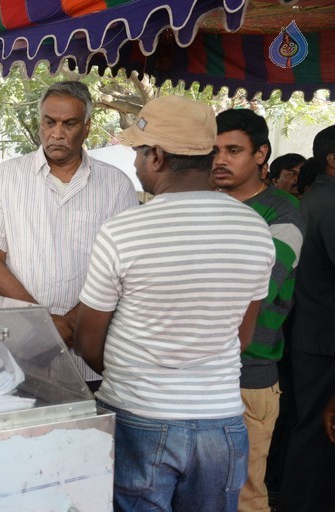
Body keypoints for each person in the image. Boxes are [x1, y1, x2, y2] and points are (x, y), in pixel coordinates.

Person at [74, 95, 275, 512]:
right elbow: (242, 336)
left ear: (158, 157)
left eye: (139, 153)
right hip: (221, 423)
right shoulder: (255, 229)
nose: (135, 164)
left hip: (138, 418)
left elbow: (87, 341)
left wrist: (139, 376)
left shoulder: (123, 231)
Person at [0, 80, 138, 388]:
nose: (57, 133)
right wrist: (43, 321)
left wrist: (73, 323)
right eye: (50, 122)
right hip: (23, 349)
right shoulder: (6, 177)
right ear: (40, 123)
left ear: (87, 127)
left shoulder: (116, 185)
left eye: (69, 124)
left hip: (90, 354)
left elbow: (124, 268)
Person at [212, 108, 306, 512]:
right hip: (197, 375)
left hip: (250, 374)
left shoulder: (283, 211)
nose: (220, 160)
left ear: (261, 154)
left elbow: (261, 289)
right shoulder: (202, 204)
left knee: (245, 496)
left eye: (233, 150)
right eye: (214, 151)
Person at [279, 124, 335, 512]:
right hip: (324, 340)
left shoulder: (307, 202)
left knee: (307, 428)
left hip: (304, 335)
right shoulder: (330, 207)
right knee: (318, 434)